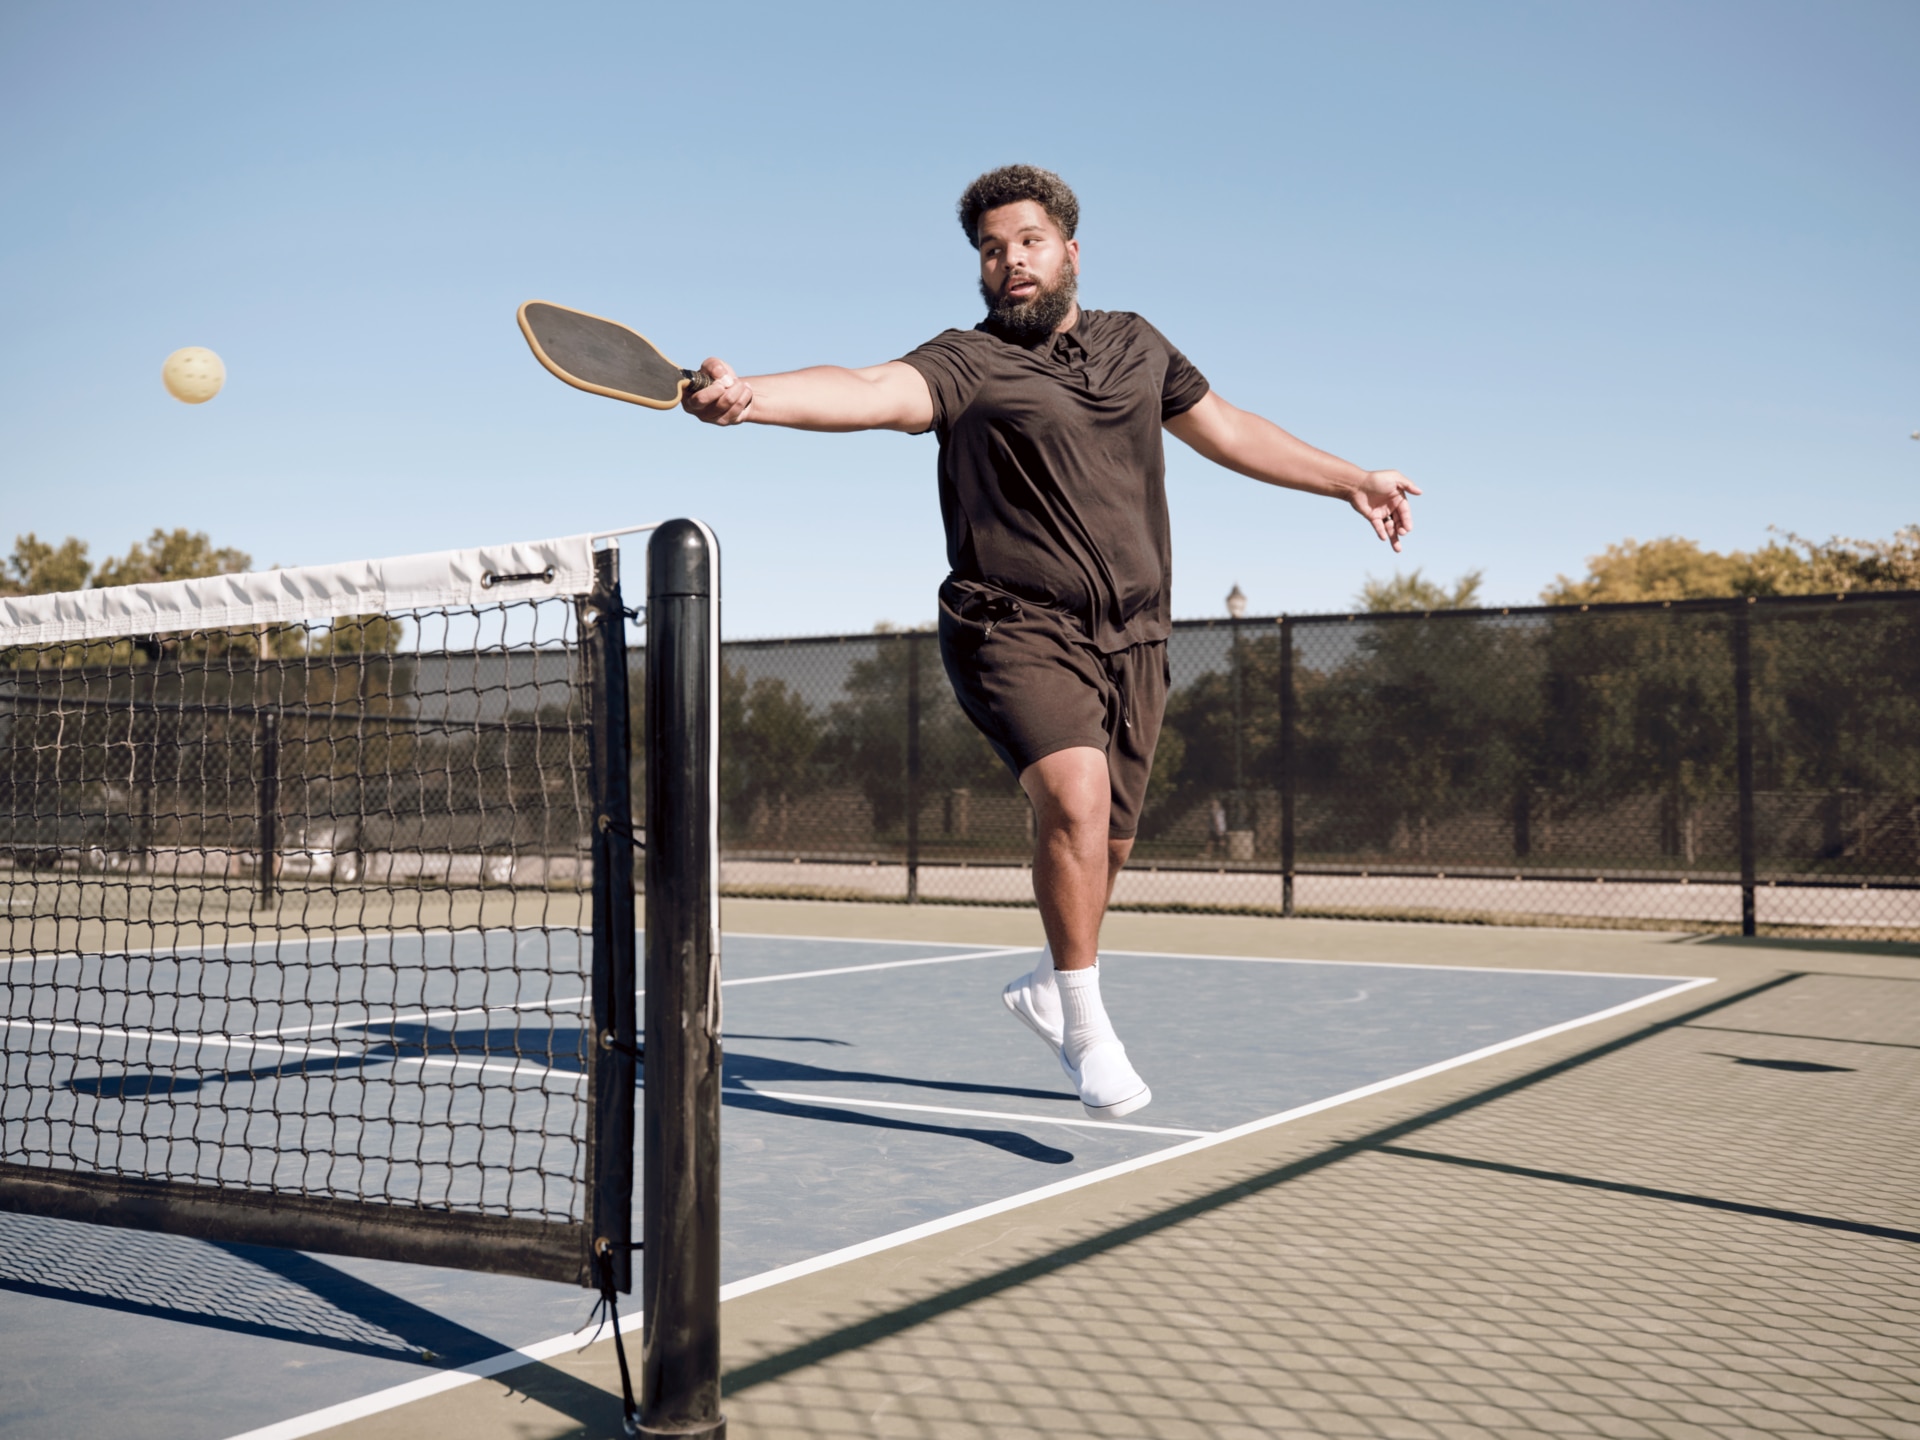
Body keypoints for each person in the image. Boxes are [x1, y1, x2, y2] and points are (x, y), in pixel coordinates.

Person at [683, 165, 1418, 1119]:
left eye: (1028, 241)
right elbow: (868, 387)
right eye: (992, 250)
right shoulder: (968, 362)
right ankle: (1084, 1023)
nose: (1010, 261)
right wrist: (752, 397)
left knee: (1105, 843)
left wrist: (1351, 479)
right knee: (1074, 798)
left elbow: (1230, 429)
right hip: (1010, 621)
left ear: (1070, 249)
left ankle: (1045, 980)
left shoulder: (1138, 344)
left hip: (1136, 635)